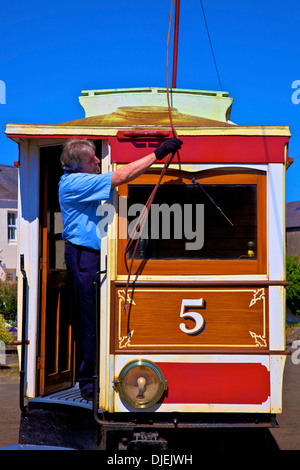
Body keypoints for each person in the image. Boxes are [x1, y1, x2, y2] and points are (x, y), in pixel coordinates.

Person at [58, 137, 182, 400]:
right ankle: (88, 383)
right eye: (92, 158)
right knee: (90, 319)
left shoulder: (81, 180)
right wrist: (158, 153)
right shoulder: (74, 183)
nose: (96, 161)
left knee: (96, 317)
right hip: (83, 256)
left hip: (91, 255)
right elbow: (123, 175)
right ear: (78, 164)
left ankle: (96, 376)